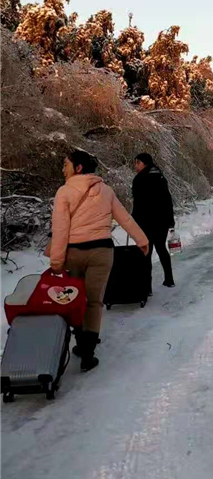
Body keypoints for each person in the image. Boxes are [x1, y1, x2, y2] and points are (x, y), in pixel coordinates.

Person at [50, 150, 148, 372]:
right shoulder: (106, 190)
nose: (63, 168)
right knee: (94, 301)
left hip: (74, 254)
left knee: (73, 300)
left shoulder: (64, 192)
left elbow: (60, 230)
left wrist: (57, 260)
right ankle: (88, 352)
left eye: (66, 164)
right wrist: (142, 240)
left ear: (79, 168)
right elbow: (125, 218)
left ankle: (80, 343)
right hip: (102, 252)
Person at [132, 153, 176, 291]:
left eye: (137, 163)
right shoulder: (160, 176)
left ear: (143, 163)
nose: (135, 166)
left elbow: (138, 203)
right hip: (162, 220)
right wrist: (170, 219)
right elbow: (167, 199)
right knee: (161, 248)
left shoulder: (139, 179)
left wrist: (134, 220)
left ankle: (147, 286)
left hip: (146, 221)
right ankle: (169, 279)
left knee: (147, 251)